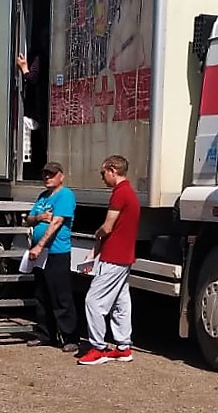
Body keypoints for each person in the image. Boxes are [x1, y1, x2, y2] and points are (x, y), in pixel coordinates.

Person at [77, 154, 140, 365]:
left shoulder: (119, 194)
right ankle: (123, 347)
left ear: (113, 170)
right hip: (124, 256)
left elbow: (107, 226)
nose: (102, 178)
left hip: (114, 256)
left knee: (93, 301)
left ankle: (98, 348)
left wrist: (97, 235)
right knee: (121, 302)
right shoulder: (130, 193)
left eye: (103, 173)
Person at [24, 161, 79, 353]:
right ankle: (45, 334)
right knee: (42, 295)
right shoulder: (42, 197)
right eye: (45, 174)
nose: (47, 177)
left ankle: (70, 337)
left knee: (61, 296)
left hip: (56, 252)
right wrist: (38, 218)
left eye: (52, 174)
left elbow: (56, 223)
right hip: (41, 256)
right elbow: (28, 219)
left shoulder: (65, 195)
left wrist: (40, 245)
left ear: (61, 176)